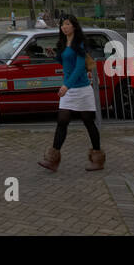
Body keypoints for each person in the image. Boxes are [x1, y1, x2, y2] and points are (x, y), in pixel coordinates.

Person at [39, 15, 103, 172]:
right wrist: (54, 55)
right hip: (69, 89)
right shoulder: (62, 43)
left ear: (74, 26)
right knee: (62, 121)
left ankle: (98, 158)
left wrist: (67, 86)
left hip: (81, 89)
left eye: (67, 24)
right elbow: (66, 63)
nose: (64, 27)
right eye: (62, 24)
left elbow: (80, 67)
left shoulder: (79, 44)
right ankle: (52, 159)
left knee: (88, 121)